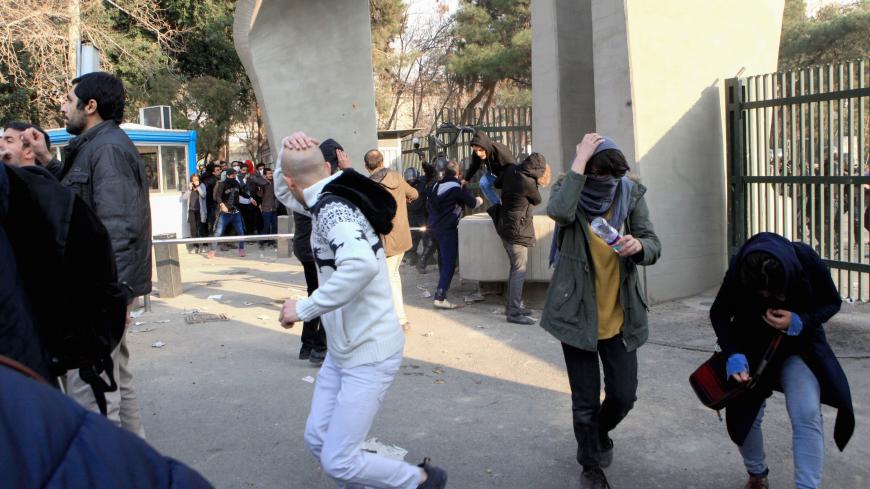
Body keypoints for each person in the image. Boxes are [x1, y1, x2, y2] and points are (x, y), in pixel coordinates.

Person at [274, 131, 447, 489]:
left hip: (369, 353)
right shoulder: (329, 191)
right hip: (344, 350)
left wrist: (304, 308)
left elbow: (361, 266)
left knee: (338, 459)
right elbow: (285, 189)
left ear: (295, 180)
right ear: (326, 166)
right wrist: (285, 150)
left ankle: (421, 479)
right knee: (320, 442)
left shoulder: (333, 211)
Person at [25, 71, 150, 437]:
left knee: (94, 396)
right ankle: (133, 467)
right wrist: (49, 160)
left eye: (68, 99)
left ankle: (107, 469)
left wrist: (114, 296)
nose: (63, 107)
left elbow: (116, 227)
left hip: (96, 295)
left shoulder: (107, 149)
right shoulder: (94, 147)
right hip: (102, 294)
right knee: (117, 386)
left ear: (90, 106)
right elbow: (79, 201)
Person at [540, 134, 661, 489]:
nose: (607, 184)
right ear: (587, 171)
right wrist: (579, 160)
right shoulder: (570, 192)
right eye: (599, 175)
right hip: (576, 312)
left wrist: (638, 245)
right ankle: (590, 465)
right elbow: (558, 212)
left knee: (624, 395)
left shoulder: (630, 194)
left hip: (621, 313)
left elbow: (653, 244)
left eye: (613, 178)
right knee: (585, 400)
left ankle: (598, 434)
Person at [709, 232, 854, 489]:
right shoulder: (740, 265)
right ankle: (757, 473)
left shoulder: (804, 259)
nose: (767, 296)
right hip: (751, 351)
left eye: (774, 291)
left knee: (806, 412)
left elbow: (831, 302)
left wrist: (800, 321)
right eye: (760, 292)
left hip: (798, 348)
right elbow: (719, 312)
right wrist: (733, 353)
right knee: (744, 416)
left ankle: (807, 486)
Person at [366, 149, 419, 332]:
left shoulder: (370, 186)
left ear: (367, 166)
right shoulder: (396, 176)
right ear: (382, 163)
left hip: (385, 240)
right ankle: (398, 319)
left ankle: (398, 320)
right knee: (393, 277)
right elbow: (415, 194)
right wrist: (403, 196)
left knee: (386, 280)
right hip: (402, 237)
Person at [493, 152, 548, 325]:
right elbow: (537, 200)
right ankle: (514, 312)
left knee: (515, 269)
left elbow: (496, 182)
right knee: (519, 270)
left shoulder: (511, 170)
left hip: (504, 224)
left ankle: (513, 307)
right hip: (517, 229)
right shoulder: (528, 182)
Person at [427, 160, 483, 309]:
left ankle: (442, 286)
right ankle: (439, 297)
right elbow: (472, 204)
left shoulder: (435, 186)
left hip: (432, 228)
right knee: (450, 264)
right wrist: (480, 199)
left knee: (442, 258)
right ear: (458, 174)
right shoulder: (457, 188)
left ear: (445, 173)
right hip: (447, 229)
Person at [465, 130, 516, 205]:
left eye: (481, 150)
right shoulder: (477, 153)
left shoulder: (500, 150)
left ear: (486, 147)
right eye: (476, 151)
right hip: (493, 173)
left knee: (510, 198)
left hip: (509, 174)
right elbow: (474, 165)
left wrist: (503, 195)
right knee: (483, 183)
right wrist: (466, 179)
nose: (478, 153)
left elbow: (510, 169)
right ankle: (498, 206)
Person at [208, 168, 247, 258]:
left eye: (235, 174)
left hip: (236, 212)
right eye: (233, 174)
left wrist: (250, 198)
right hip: (225, 213)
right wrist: (222, 205)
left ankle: (241, 249)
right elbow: (217, 196)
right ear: (228, 175)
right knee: (218, 232)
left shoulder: (236, 183)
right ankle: (212, 250)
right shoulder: (222, 184)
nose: (235, 176)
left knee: (241, 231)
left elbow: (242, 193)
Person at [184, 174, 208, 253]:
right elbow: (184, 198)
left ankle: (204, 245)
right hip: (191, 210)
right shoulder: (189, 186)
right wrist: (189, 190)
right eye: (194, 180)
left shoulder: (202, 185)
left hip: (200, 210)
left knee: (201, 228)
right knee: (193, 229)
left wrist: (198, 187)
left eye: (196, 179)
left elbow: (204, 195)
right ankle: (195, 246)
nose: (195, 181)